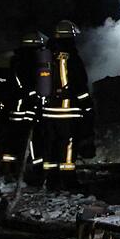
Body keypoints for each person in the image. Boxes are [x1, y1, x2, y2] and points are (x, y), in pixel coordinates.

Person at [41, 20, 95, 185]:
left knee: (51, 144)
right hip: (67, 110)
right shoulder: (71, 57)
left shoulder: (47, 55)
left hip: (48, 110)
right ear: (70, 37)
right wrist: (87, 105)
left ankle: (50, 180)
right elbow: (79, 83)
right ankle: (68, 180)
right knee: (69, 143)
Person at [0, 30, 51, 183]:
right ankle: (29, 172)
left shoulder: (19, 59)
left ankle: (10, 170)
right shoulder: (23, 62)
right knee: (31, 140)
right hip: (23, 108)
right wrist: (33, 95)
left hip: (19, 108)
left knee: (14, 140)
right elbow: (20, 84)